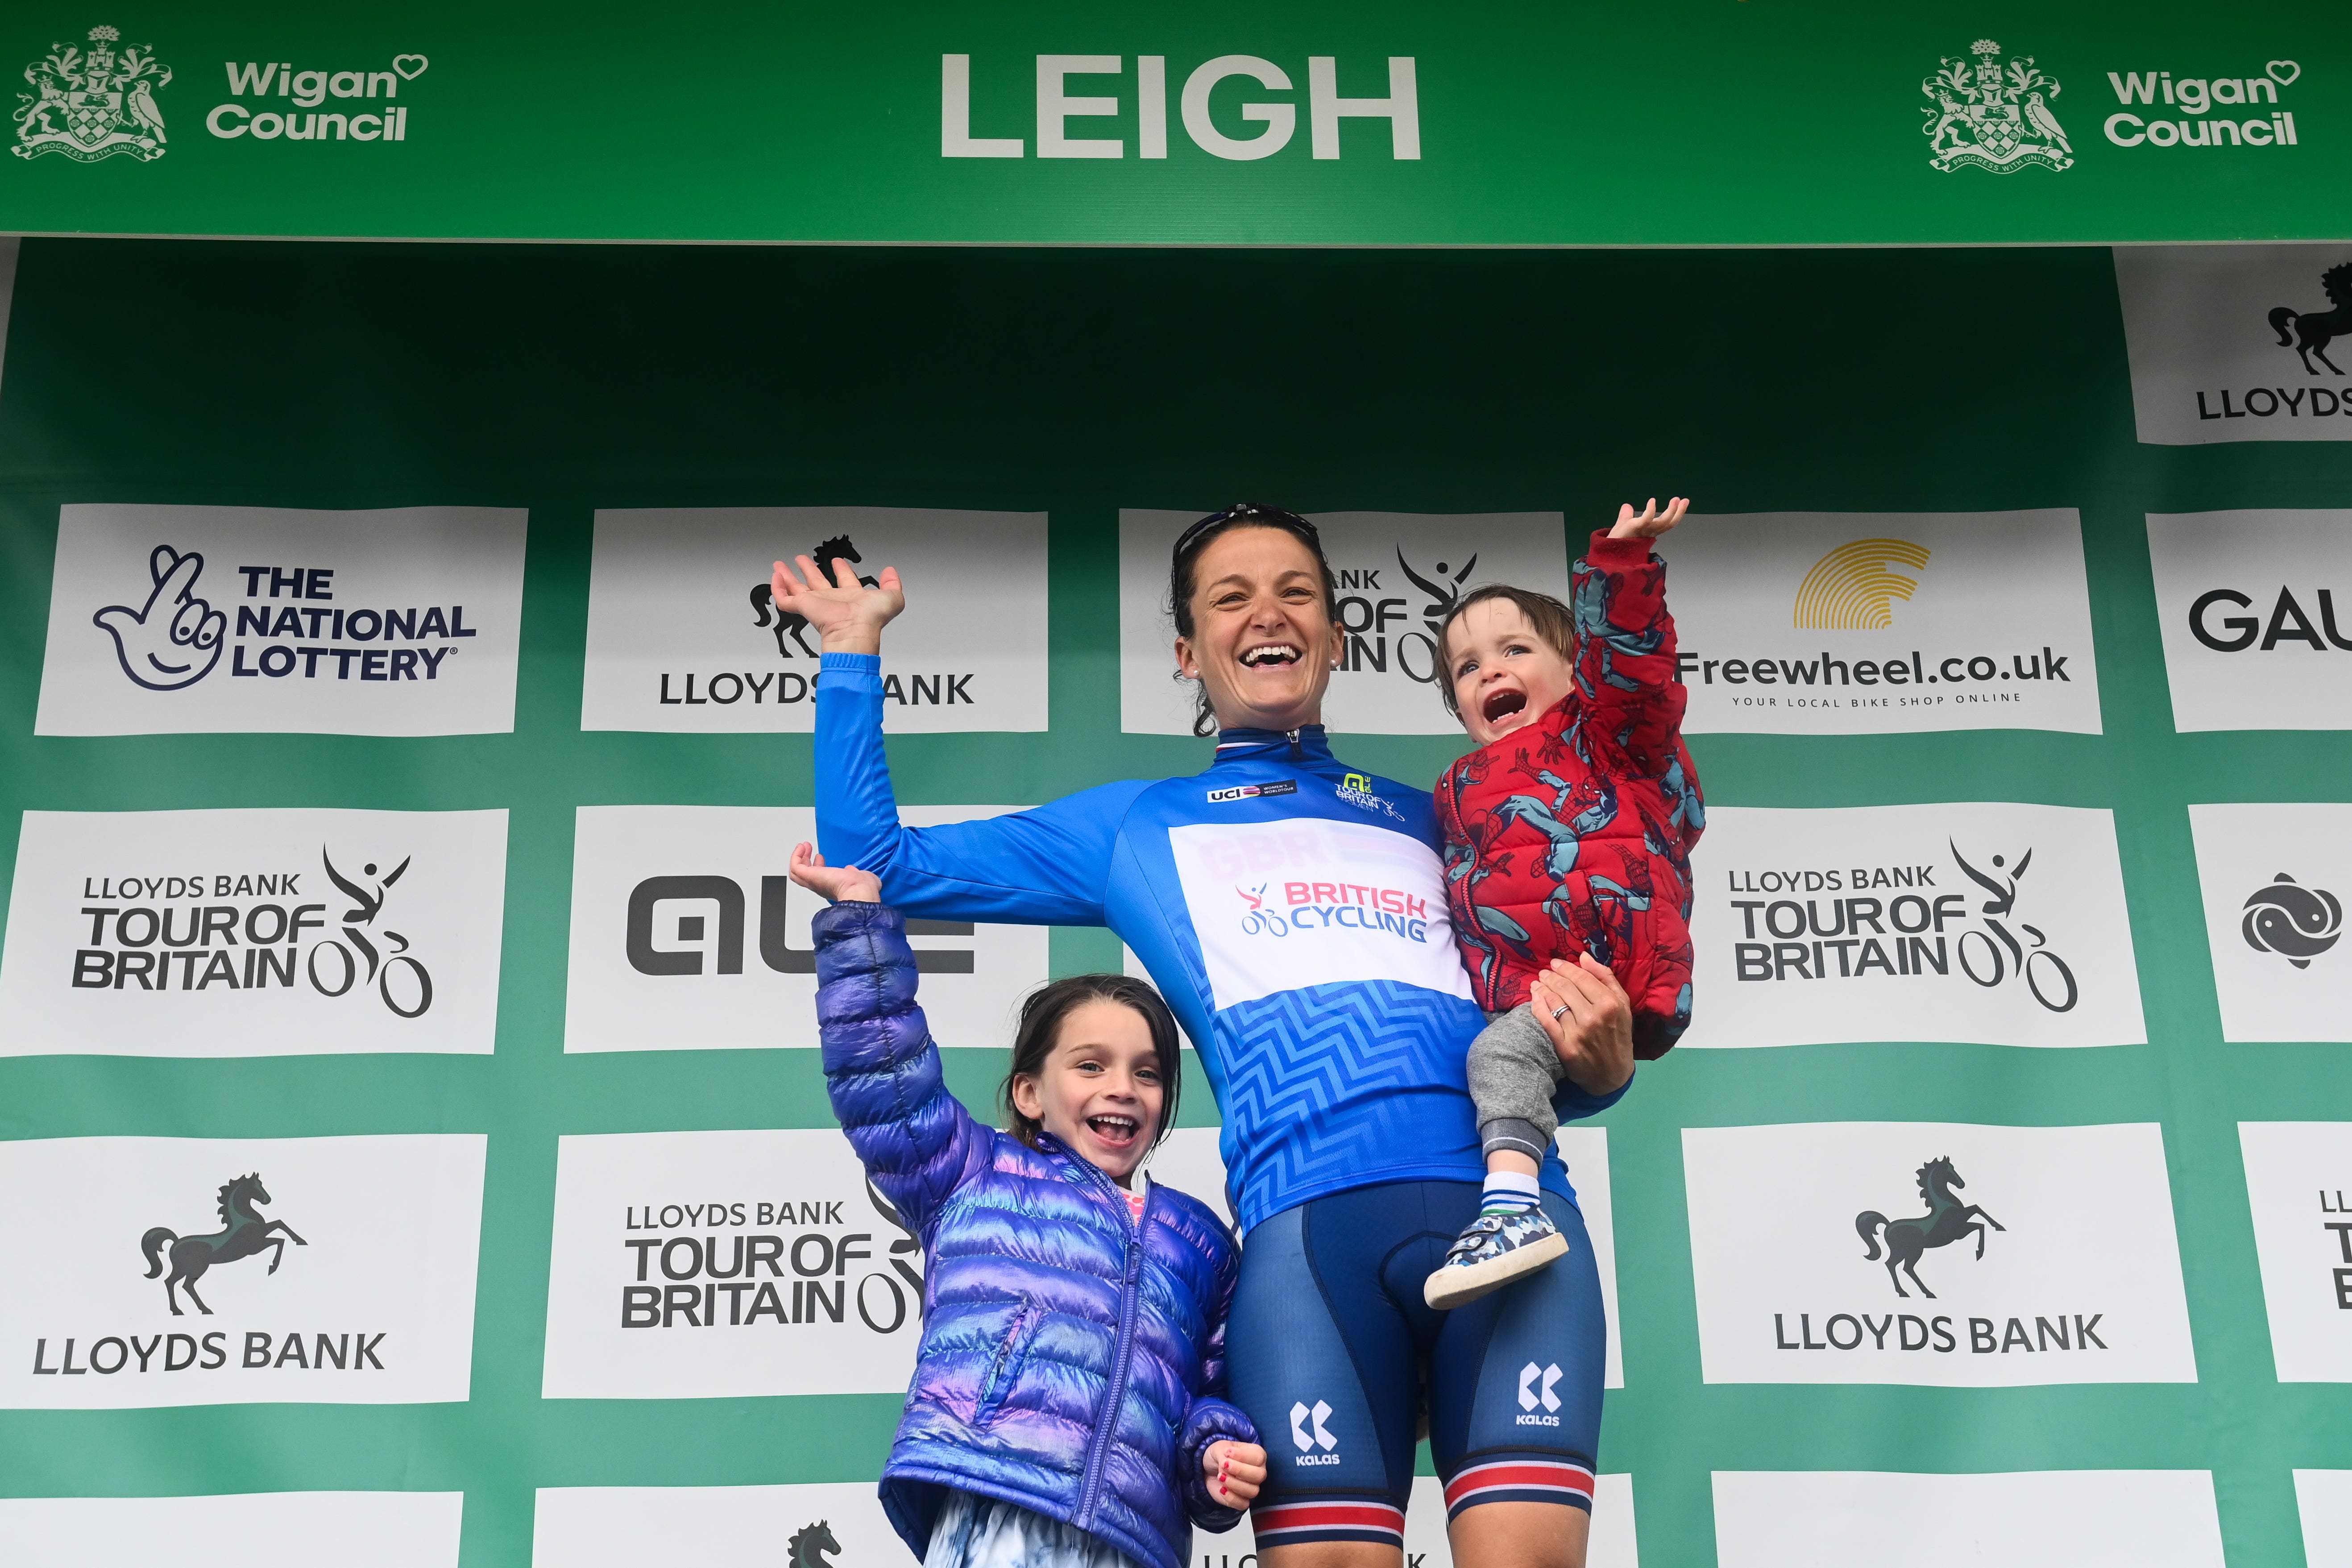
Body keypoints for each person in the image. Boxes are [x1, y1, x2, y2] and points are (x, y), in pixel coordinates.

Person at [774, 503, 1636, 1568]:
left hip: (1508, 1219)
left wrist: (1606, 1064)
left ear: (1336, 631)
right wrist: (852, 655)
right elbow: (877, 862)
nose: (1265, 614)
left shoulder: (1449, 817)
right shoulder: (1137, 825)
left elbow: (1558, 1052)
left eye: (1295, 593)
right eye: (1230, 597)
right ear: (1187, 649)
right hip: (1308, 1251)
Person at [790, 841, 1266, 1568]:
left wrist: (1215, 1456)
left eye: (1147, 1072)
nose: (1122, 1087)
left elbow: (1207, 1392)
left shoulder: (1201, 1243)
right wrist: (860, 920)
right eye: (1090, 1064)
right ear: (1029, 1094)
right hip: (1000, 1498)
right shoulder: (973, 1172)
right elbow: (883, 1068)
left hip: (1134, 1538)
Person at [1421, 499, 1705, 1310]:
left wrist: (1620, 567)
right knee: (1479, 1061)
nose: (1490, 671)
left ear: (1573, 667)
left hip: (1603, 966)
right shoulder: (1457, 787)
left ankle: (1512, 1211)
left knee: (1497, 1061)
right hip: (1535, 992)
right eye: (1467, 668)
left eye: (1515, 648)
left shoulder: (1603, 734)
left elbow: (1634, 674)